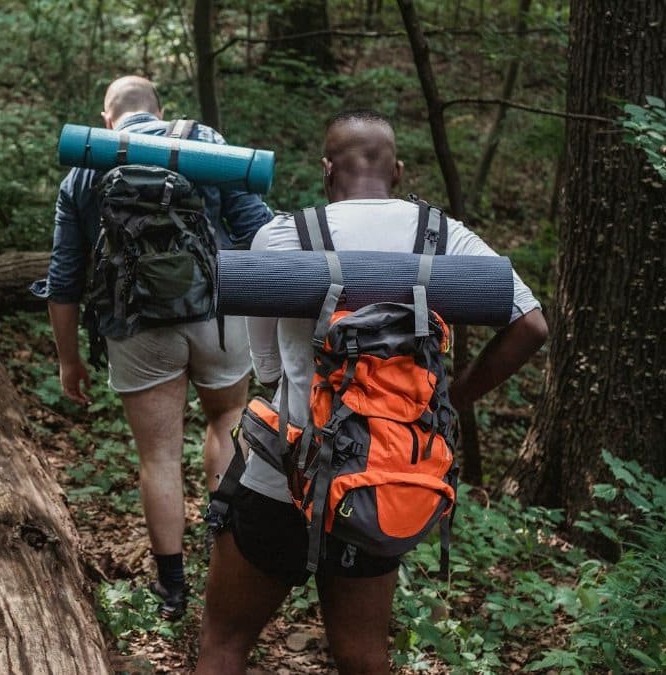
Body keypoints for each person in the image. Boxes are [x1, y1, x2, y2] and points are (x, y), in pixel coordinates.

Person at [196, 110, 548, 674]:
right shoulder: (442, 235)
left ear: (326, 170)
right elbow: (531, 325)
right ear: (399, 169)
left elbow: (266, 367)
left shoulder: (286, 234)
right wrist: (454, 398)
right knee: (362, 657)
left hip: (283, 475)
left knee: (225, 643)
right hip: (379, 479)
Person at [31, 75, 273, 620]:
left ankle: (172, 593)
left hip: (135, 324)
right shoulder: (204, 144)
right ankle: (226, 562)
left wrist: (69, 360)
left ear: (105, 118)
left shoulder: (84, 168)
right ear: (162, 111)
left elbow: (64, 279)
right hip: (217, 313)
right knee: (227, 418)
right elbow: (257, 229)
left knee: (158, 455)